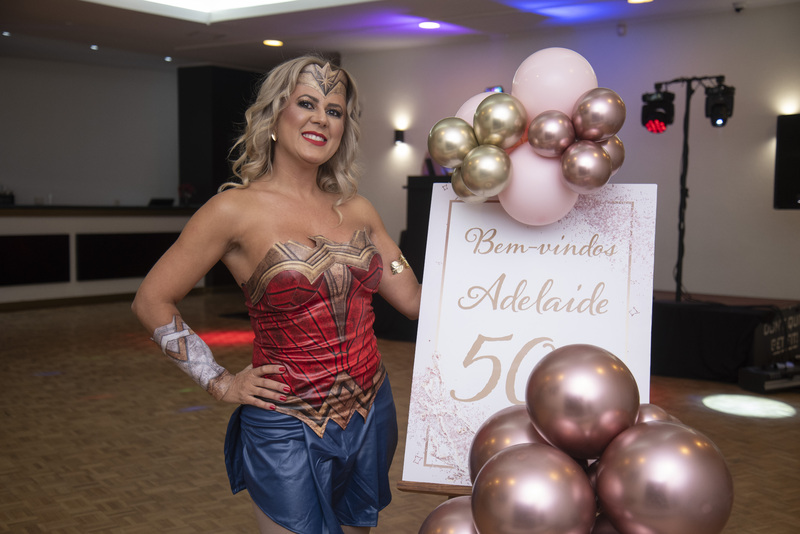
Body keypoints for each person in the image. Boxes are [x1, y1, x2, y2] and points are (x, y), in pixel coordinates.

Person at [132, 55, 422, 534]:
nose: (320, 118)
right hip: (285, 421)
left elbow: (412, 300)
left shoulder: (359, 209)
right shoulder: (232, 210)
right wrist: (218, 381)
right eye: (306, 103)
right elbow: (151, 301)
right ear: (274, 114)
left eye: (334, 110)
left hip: (372, 411)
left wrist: (479, 254)